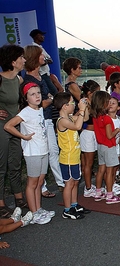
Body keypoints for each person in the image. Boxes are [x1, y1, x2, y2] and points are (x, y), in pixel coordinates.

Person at [4, 82, 54, 225]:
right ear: (26, 98)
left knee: (39, 182)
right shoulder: (25, 112)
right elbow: (8, 126)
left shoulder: (39, 109)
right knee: (32, 183)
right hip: (33, 152)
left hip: (43, 150)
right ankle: (33, 213)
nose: (37, 96)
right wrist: (23, 136)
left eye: (38, 93)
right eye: (32, 94)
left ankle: (38, 209)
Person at [23, 44, 64, 197]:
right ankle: (42, 186)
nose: (44, 58)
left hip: (47, 119)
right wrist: (47, 101)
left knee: (52, 150)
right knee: (43, 153)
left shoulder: (42, 76)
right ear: (34, 58)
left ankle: (60, 181)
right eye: (41, 55)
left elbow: (53, 95)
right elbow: (37, 102)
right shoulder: (27, 79)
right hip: (37, 122)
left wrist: (49, 100)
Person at [0, 44, 28, 218]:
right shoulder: (0, 79)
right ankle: (1, 203)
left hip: (15, 126)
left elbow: (21, 103)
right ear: (13, 61)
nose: (24, 60)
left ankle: (18, 197)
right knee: (1, 166)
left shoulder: (19, 80)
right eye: (21, 58)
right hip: (1, 126)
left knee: (15, 163)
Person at [91, 91, 120, 204]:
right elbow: (110, 135)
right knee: (110, 171)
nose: (109, 104)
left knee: (101, 170)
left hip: (100, 145)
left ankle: (98, 192)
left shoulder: (95, 116)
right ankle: (110, 194)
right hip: (109, 146)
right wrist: (117, 130)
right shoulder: (107, 118)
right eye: (107, 102)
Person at [80, 80, 101, 198]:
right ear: (89, 93)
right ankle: (87, 187)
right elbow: (85, 118)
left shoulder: (92, 102)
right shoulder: (84, 103)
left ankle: (89, 185)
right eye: (95, 92)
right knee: (88, 162)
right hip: (87, 133)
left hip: (92, 133)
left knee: (90, 162)